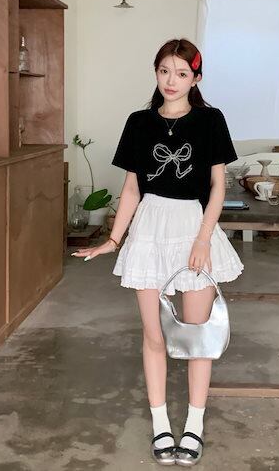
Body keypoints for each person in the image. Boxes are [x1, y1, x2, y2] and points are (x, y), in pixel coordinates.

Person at [72, 38, 244, 466]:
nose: (172, 80)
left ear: (195, 78)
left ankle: (194, 426)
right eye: (165, 70)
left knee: (197, 335)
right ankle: (161, 424)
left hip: (194, 228)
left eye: (182, 73)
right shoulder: (139, 122)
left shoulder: (210, 120)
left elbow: (218, 185)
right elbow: (132, 188)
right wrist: (114, 240)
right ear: (156, 72)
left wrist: (203, 238)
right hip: (149, 227)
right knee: (154, 335)